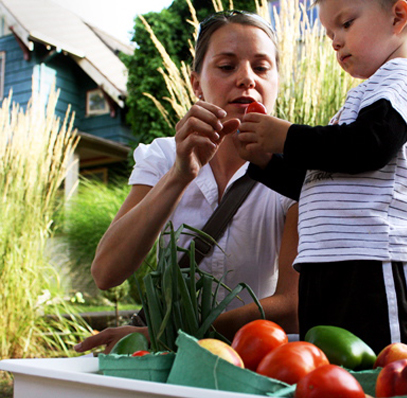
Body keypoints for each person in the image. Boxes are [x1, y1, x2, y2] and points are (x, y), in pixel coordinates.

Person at [233, 0, 407, 362]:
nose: (334, 41)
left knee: (398, 370)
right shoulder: (361, 99)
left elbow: (371, 145)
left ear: (398, 16)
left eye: (345, 24)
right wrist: (267, 162)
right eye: (330, 33)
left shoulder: (405, 76)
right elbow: (318, 183)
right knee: (332, 373)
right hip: (324, 265)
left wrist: (288, 137)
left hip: (375, 261)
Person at [75, 10, 299, 354]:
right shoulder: (163, 157)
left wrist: (172, 334)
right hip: (173, 366)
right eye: (226, 66)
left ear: (277, 81)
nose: (246, 79)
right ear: (196, 83)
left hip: (259, 361)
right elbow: (106, 272)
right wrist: (180, 174)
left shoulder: (300, 170)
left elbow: (291, 305)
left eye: (261, 67)